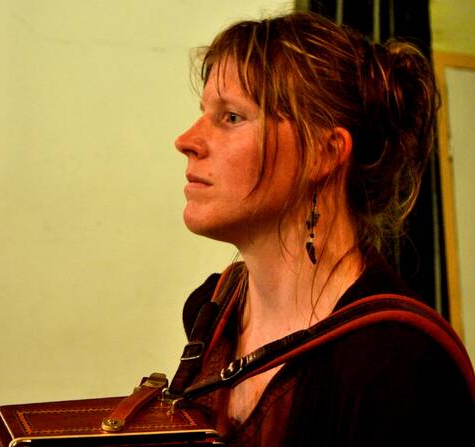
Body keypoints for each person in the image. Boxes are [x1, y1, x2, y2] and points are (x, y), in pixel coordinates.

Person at [173, 11, 473, 446]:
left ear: (324, 153)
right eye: (204, 112)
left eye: (232, 117)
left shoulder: (397, 362)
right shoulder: (211, 313)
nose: (186, 140)